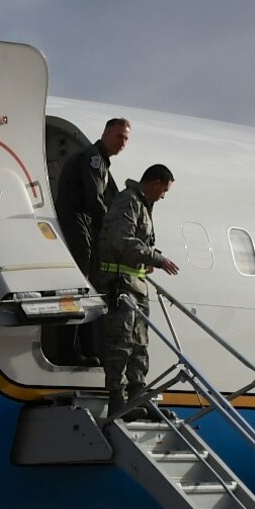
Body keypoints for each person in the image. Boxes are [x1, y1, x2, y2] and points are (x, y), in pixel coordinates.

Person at [95, 164, 180, 419]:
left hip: (137, 284)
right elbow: (122, 241)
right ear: (155, 183)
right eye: (163, 190)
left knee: (140, 344)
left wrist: (147, 262)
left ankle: (137, 397)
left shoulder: (143, 205)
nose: (163, 196)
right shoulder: (128, 202)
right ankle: (117, 400)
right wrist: (157, 259)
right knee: (121, 343)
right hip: (120, 283)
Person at [52, 118, 129, 282]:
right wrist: (110, 229)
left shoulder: (99, 159)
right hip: (74, 214)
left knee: (91, 255)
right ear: (106, 134)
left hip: (81, 215)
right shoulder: (93, 158)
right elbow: (94, 198)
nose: (122, 143)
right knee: (83, 254)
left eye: (125, 139)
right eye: (119, 137)